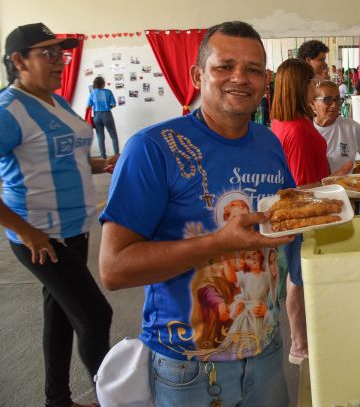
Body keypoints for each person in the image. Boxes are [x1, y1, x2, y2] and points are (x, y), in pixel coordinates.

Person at [98, 21, 296, 406]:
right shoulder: (153, 150)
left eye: (253, 69)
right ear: (197, 74)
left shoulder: (269, 142)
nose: (240, 77)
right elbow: (113, 269)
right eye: (225, 66)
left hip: (266, 350)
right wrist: (219, 244)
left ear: (264, 81)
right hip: (189, 367)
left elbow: (283, 217)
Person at [1, 22, 114, 407]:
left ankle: (57, 400)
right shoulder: (9, 110)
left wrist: (108, 163)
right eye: (47, 54)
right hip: (43, 238)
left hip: (73, 231)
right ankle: (108, 397)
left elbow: (74, 158)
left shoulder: (57, 102)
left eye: (60, 54)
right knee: (95, 316)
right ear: (18, 60)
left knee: (63, 316)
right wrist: (25, 231)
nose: (59, 62)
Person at [270, 59, 348, 365]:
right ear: (300, 87)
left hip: (302, 213)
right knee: (300, 280)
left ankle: (301, 341)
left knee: (297, 277)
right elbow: (301, 187)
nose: (318, 86)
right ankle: (300, 344)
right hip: (304, 214)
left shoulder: (285, 123)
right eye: (313, 83)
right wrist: (336, 179)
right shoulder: (298, 130)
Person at [312, 80, 360, 174]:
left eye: (338, 99)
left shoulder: (350, 127)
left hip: (344, 187)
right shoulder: (306, 130)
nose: (334, 105)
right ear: (312, 104)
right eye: (328, 100)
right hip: (315, 188)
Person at [86, 75, 120, 159]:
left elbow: (88, 106)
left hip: (96, 116)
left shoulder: (92, 93)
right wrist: (108, 106)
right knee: (113, 135)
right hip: (107, 114)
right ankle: (116, 155)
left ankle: (102, 156)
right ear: (103, 84)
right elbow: (113, 104)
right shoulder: (108, 92)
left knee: (100, 136)